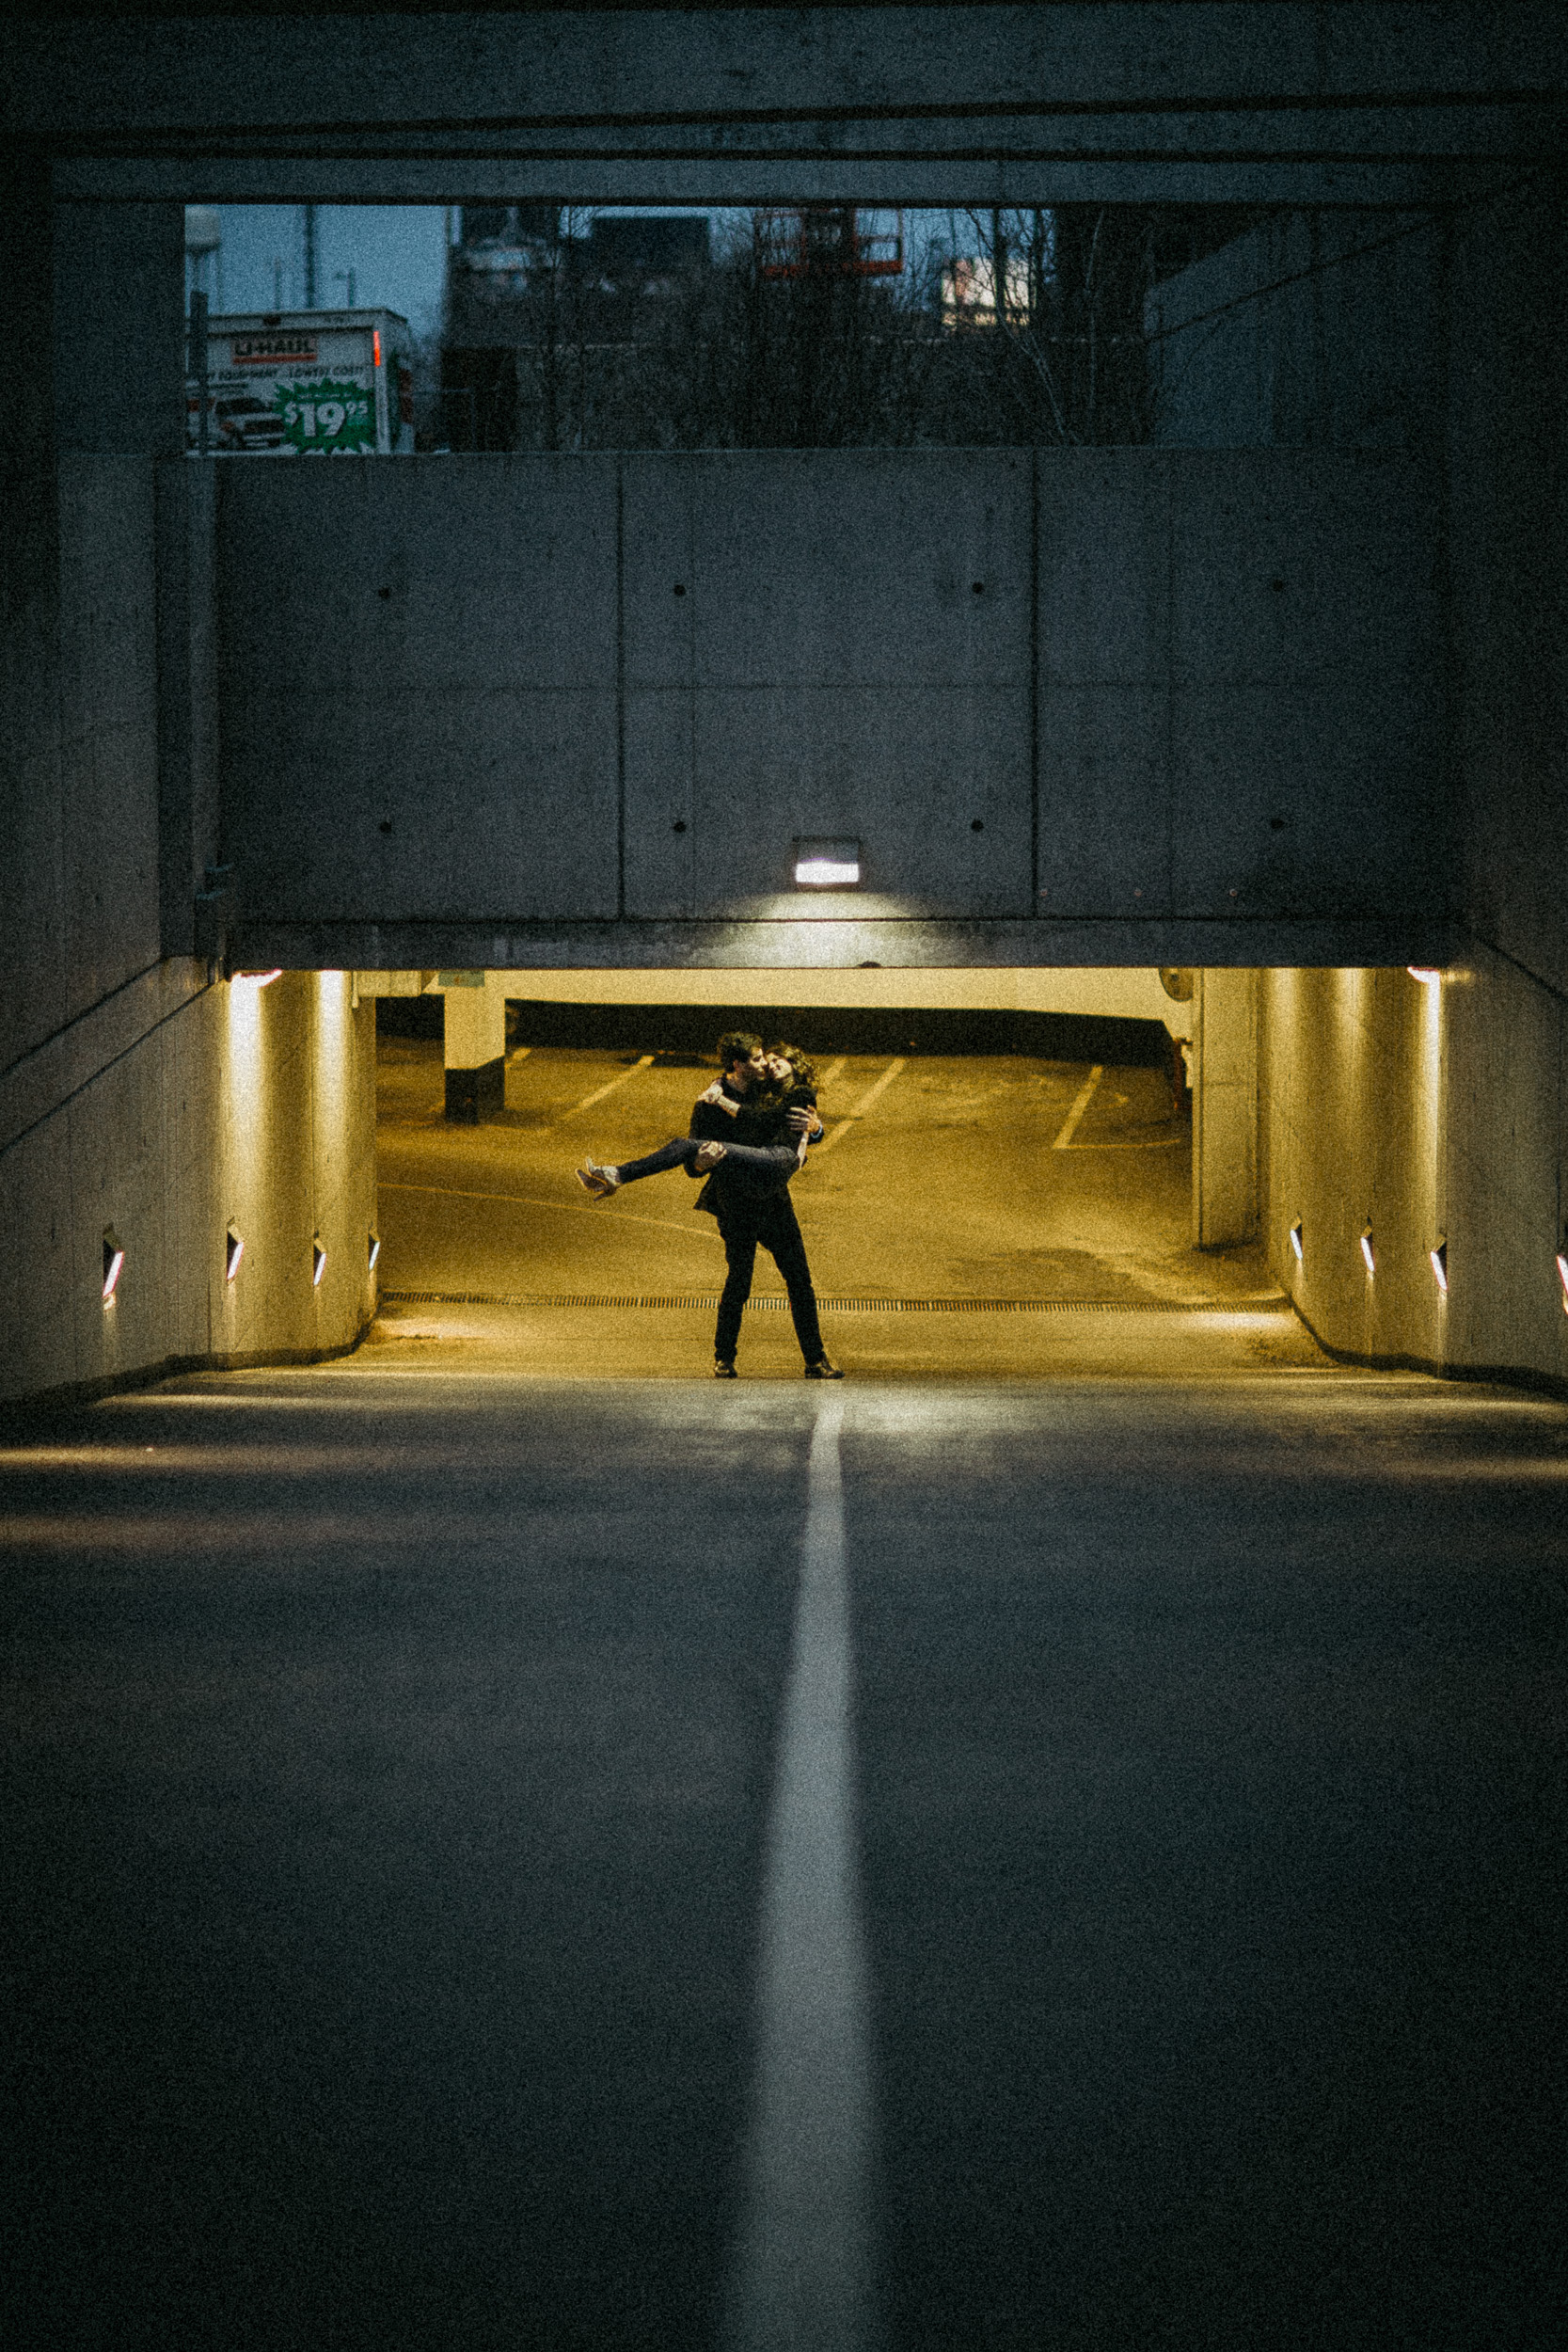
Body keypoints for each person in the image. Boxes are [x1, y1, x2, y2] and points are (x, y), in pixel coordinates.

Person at [577, 1034, 842, 1381]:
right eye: (759, 1059)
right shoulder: (707, 1103)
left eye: (770, 1059)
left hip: (773, 1198)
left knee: (799, 1282)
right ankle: (724, 1358)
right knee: (739, 1281)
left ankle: (815, 1360)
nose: (766, 1064)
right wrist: (701, 1162)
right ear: (738, 1065)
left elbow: (784, 1122)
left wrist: (817, 1128)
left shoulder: (767, 1089)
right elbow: (690, 1167)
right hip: (736, 1199)